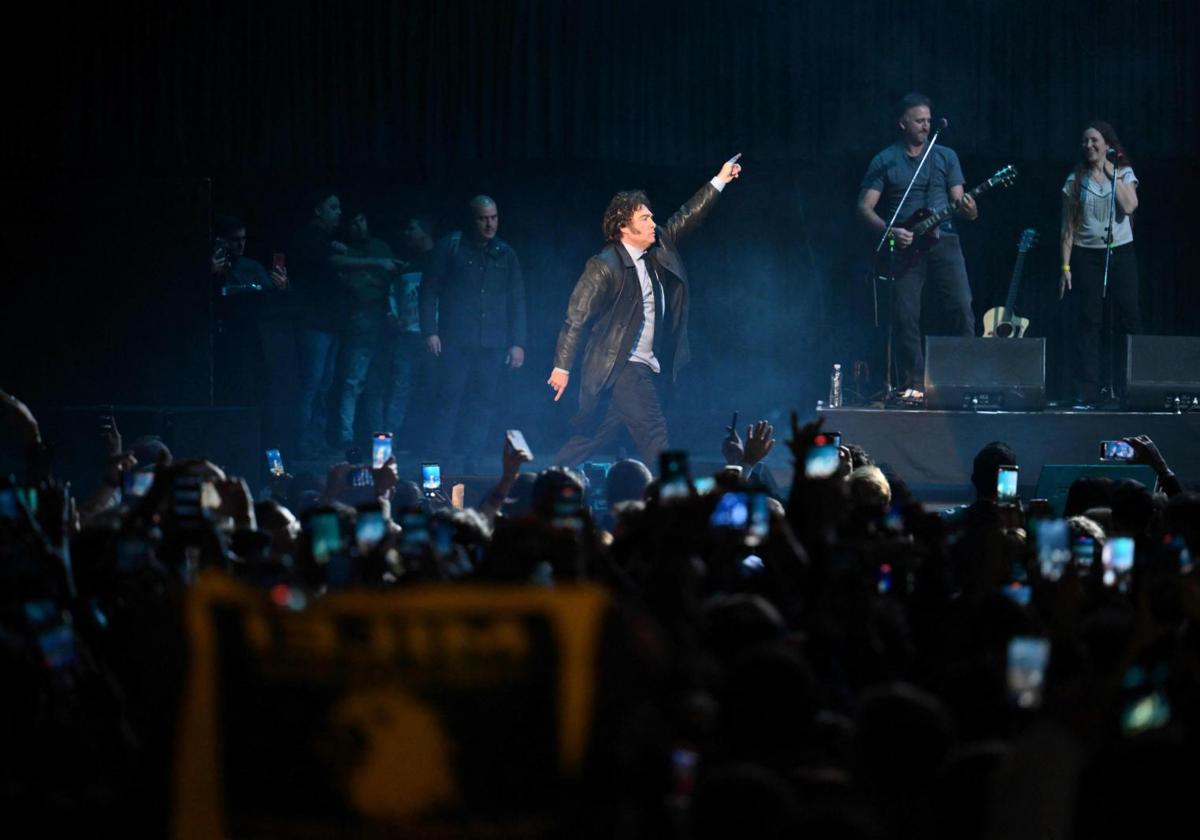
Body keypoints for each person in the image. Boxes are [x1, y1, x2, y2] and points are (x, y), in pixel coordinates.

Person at [548, 155, 743, 467]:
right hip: (623, 366)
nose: (654, 224)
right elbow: (576, 316)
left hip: (639, 367)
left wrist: (719, 180)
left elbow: (686, 217)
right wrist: (562, 366)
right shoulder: (604, 265)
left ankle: (546, 480)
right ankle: (674, 500)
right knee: (655, 435)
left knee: (592, 437)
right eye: (646, 219)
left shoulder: (656, 250)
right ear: (624, 227)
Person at [857, 93, 978, 401]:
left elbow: (960, 202)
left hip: (944, 238)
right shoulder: (885, 159)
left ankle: (966, 378)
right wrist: (891, 231)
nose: (926, 126)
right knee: (905, 313)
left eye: (928, 120)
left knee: (962, 307)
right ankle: (914, 382)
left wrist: (969, 207)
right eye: (919, 120)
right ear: (903, 124)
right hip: (905, 243)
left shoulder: (946, 156)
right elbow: (864, 207)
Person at [420, 196, 526, 471]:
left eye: (493, 217)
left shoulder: (505, 252)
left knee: (484, 403)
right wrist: (430, 331)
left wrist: (517, 343)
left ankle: (473, 460)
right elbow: (429, 290)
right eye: (483, 218)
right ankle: (439, 459)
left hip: (492, 342)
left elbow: (517, 300)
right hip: (455, 339)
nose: (489, 224)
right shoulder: (451, 247)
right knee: (449, 398)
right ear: (472, 219)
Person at [1058, 120, 1141, 406]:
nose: (1089, 146)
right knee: (1089, 321)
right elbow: (1068, 227)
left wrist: (1110, 170)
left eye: (1094, 141)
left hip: (1121, 252)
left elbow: (1129, 206)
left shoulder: (1124, 173)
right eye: (1085, 141)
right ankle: (1087, 390)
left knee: (1128, 318)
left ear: (1107, 144)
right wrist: (1065, 267)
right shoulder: (1075, 180)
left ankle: (1131, 384)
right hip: (1086, 255)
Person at [362, 215, 435, 443]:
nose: (406, 233)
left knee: (430, 388)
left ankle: (423, 439)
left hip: (435, 337)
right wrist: (391, 316)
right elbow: (392, 294)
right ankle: (390, 442)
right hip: (406, 335)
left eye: (411, 228)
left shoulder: (439, 261)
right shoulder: (405, 264)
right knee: (399, 387)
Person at [332, 209, 399, 447]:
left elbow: (393, 280)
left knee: (378, 384)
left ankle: (379, 438)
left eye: (361, 220)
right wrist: (370, 278)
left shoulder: (380, 247)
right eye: (353, 223)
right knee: (353, 382)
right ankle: (346, 437)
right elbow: (357, 288)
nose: (359, 227)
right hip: (360, 319)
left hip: (384, 320)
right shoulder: (343, 252)